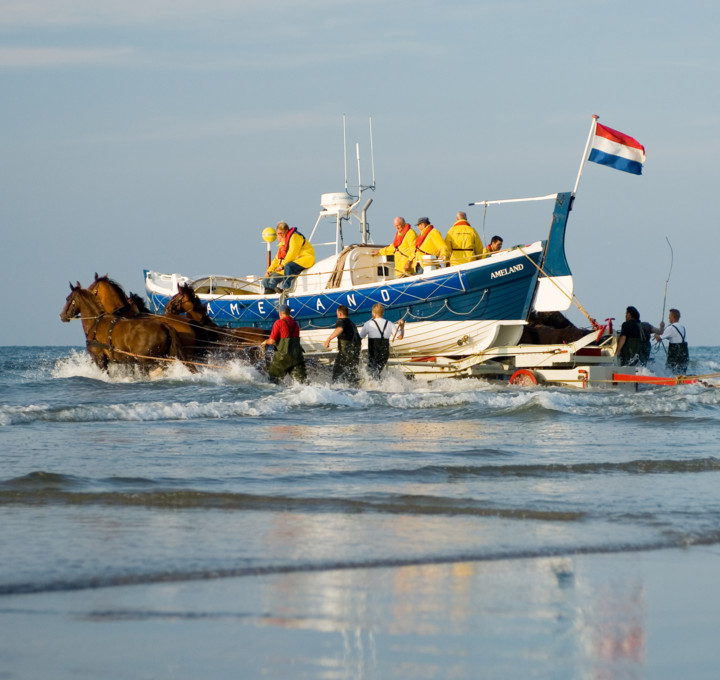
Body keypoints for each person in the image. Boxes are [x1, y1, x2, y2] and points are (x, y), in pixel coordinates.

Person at [262, 221, 315, 295]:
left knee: (288, 267)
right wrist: (268, 271)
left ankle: (286, 288)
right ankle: (270, 293)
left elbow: (292, 253)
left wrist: (282, 266)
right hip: (293, 261)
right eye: (278, 233)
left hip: (305, 258)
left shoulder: (295, 237)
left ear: (286, 231)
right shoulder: (283, 244)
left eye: (281, 233)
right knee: (265, 281)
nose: (280, 235)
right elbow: (277, 259)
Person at [358, 303, 405, 378]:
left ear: (373, 313)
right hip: (385, 352)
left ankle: (374, 384)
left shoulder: (368, 324)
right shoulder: (389, 323)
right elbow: (400, 337)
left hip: (373, 352)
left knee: (372, 372)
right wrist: (402, 327)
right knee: (378, 371)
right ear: (383, 313)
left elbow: (359, 338)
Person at [262, 304, 307, 383]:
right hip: (297, 357)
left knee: (273, 380)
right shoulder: (296, 324)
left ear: (280, 313)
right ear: (289, 313)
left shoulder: (278, 323)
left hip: (283, 357)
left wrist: (265, 342)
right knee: (301, 383)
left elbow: (272, 341)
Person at [324, 305, 361, 385]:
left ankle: (336, 389)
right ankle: (355, 388)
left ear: (340, 314)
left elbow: (340, 329)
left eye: (337, 313)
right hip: (355, 354)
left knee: (337, 371)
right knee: (352, 372)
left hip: (345, 353)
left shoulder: (341, 321)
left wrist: (329, 339)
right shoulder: (352, 323)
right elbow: (359, 340)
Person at [654, 308, 689, 374]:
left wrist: (657, 334)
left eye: (669, 316)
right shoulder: (682, 327)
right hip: (684, 353)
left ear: (673, 317)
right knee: (682, 371)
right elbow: (674, 336)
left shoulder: (671, 328)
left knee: (671, 370)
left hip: (675, 353)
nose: (668, 318)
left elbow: (659, 338)